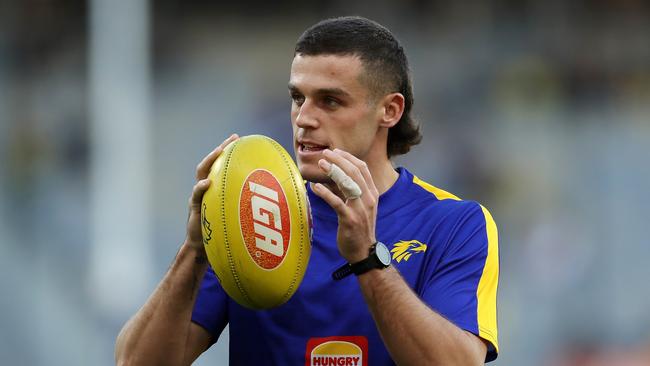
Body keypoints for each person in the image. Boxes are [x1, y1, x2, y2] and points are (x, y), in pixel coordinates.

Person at [115, 16, 499, 365]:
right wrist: (195, 250)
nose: (304, 119)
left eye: (330, 101)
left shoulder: (455, 223)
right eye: (298, 98)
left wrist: (367, 259)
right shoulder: (249, 214)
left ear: (390, 111)